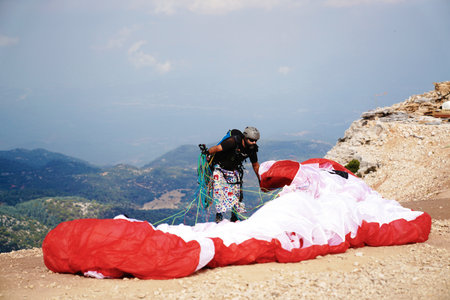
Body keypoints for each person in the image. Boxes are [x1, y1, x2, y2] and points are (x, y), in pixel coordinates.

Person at [204, 126, 261, 223]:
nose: (254, 142)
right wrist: (207, 153)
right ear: (245, 137)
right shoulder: (233, 141)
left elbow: (255, 165)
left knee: (236, 194)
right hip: (220, 168)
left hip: (233, 170)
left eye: (256, 140)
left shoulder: (252, 149)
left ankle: (234, 215)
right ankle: (219, 214)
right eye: (252, 140)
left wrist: (260, 180)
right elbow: (218, 148)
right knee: (219, 191)